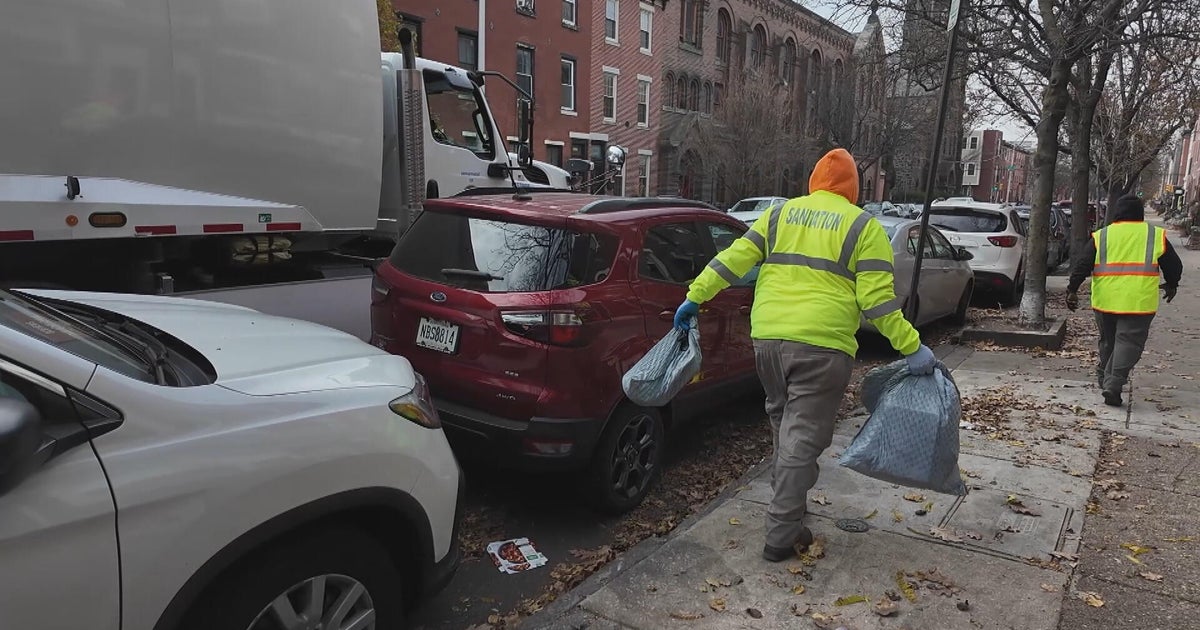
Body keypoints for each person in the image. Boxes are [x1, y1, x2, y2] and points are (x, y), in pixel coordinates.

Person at [673, 148, 935, 562]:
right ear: (853, 188)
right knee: (803, 439)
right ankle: (781, 534)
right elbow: (877, 301)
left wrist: (694, 297)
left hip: (769, 340)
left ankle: (790, 506)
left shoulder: (779, 215)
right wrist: (912, 346)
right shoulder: (862, 226)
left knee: (785, 426)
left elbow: (732, 261)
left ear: (813, 181)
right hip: (822, 345)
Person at [1066, 193, 1183, 407]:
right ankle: (1113, 384)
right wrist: (1172, 283)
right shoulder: (1154, 235)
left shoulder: (1102, 235)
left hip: (1105, 301)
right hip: (1138, 302)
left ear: (1116, 213)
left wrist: (1072, 289)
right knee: (1128, 343)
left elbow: (1082, 264)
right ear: (1140, 214)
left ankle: (1105, 377)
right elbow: (1174, 265)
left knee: (1109, 341)